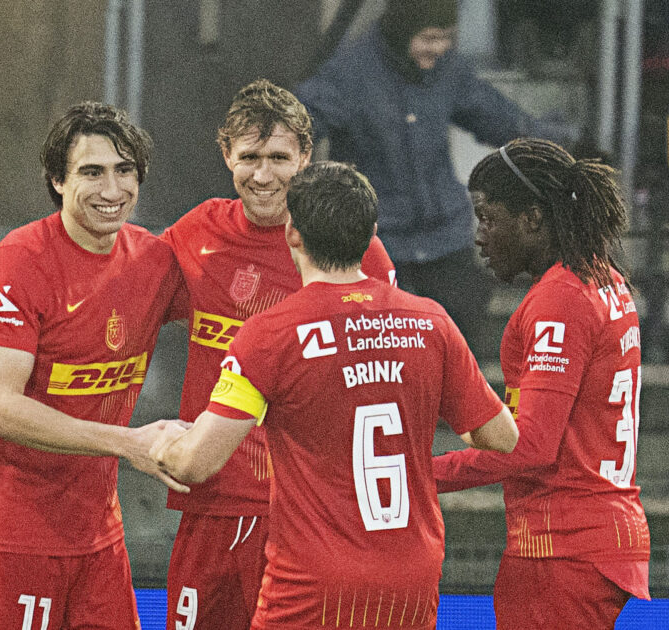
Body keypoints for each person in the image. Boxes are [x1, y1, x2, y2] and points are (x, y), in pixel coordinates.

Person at [150, 161, 518, 630]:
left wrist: (162, 441)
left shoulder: (270, 334)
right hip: (412, 581)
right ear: (371, 236)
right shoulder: (432, 323)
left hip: (311, 586)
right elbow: (501, 439)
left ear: (292, 234)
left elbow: (195, 464)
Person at [0, 102, 187, 630]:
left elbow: (239, 308)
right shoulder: (19, 262)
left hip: (99, 540)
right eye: (91, 172)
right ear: (56, 179)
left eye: (125, 172)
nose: (112, 190)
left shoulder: (154, 261)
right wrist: (129, 443)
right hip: (9, 541)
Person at [158, 78, 396, 629]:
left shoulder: (350, 245)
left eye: (279, 157)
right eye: (249, 157)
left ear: (306, 156)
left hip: (308, 511)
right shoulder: (195, 233)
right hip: (212, 499)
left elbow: (381, 378)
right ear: (226, 156)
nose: (263, 175)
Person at [432, 138, 651, 628]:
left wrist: (418, 476)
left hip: (563, 548)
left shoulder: (561, 298)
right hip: (594, 537)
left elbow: (529, 446)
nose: (480, 236)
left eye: (488, 217)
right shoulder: (603, 278)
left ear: (532, 219)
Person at [295, 0, 543, 350]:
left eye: (446, 38)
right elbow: (296, 127)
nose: (438, 49)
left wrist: (551, 151)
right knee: (392, 353)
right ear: (402, 32)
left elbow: (496, 116)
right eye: (428, 38)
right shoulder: (351, 72)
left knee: (461, 340)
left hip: (445, 238)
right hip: (380, 242)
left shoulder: (448, 69)